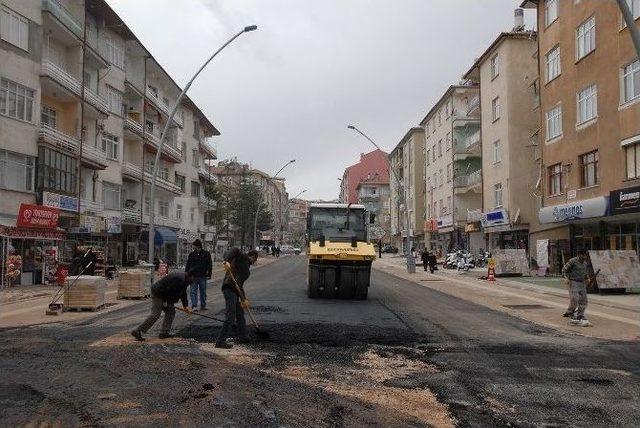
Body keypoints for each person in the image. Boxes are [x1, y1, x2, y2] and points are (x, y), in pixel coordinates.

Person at [131, 270, 195, 341]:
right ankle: (138, 331)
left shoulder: (185, 279)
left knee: (171, 312)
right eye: (194, 278)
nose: (194, 281)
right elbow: (167, 290)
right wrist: (164, 301)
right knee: (156, 314)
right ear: (191, 276)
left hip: (165, 295)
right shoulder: (178, 279)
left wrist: (185, 306)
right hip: (158, 293)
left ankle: (164, 332)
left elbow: (183, 293)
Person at [215, 247, 259, 349]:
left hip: (235, 290)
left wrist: (244, 299)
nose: (254, 262)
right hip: (229, 288)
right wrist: (226, 260)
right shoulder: (243, 257)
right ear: (252, 257)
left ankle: (243, 336)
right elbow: (234, 250)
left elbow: (240, 285)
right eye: (255, 259)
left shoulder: (247, 269)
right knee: (230, 315)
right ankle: (220, 341)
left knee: (240, 314)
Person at [561, 250, 590, 325]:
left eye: (585, 255)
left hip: (582, 282)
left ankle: (580, 314)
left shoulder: (585, 263)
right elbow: (564, 270)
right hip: (573, 281)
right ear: (579, 255)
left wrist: (587, 278)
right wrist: (566, 278)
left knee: (584, 300)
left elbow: (585, 272)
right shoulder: (572, 261)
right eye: (583, 255)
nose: (585, 257)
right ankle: (571, 312)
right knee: (575, 298)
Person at [185, 239, 212, 312]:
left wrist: (209, 274)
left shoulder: (206, 254)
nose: (193, 247)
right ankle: (194, 306)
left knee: (203, 291)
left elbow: (209, 264)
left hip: (202, 275)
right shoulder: (191, 254)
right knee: (193, 291)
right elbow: (188, 264)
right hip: (193, 276)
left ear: (197, 246)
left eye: (193, 245)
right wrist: (186, 274)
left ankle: (203, 306)